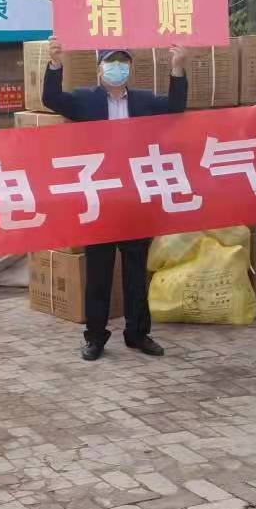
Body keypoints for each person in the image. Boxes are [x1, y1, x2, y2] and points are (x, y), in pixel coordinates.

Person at [42, 39, 188, 361]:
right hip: (101, 199)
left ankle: (138, 333)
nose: (117, 68)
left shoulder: (144, 102)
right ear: (99, 69)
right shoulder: (85, 101)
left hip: (135, 198)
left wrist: (177, 68)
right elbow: (51, 98)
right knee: (99, 273)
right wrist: (55, 64)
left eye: (123, 62)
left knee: (136, 272)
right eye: (110, 62)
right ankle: (95, 336)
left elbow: (176, 108)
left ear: (131, 68)